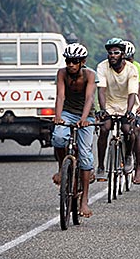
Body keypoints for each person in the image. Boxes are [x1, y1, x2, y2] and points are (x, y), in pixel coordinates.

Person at [51, 43, 97, 218]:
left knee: (85, 156)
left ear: (82, 62)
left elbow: (89, 98)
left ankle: (84, 200)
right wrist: (58, 117)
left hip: (86, 115)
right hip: (68, 113)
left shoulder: (90, 75)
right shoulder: (62, 73)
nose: (71, 64)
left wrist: (84, 119)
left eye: (75, 61)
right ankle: (62, 169)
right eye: (68, 61)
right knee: (58, 138)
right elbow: (60, 96)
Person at [95, 38, 140, 183]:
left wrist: (130, 111)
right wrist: (103, 110)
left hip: (127, 102)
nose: (112, 55)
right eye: (110, 53)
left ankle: (128, 156)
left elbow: (133, 92)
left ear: (123, 54)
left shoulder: (131, 69)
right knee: (104, 129)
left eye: (116, 52)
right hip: (108, 103)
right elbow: (101, 91)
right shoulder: (102, 67)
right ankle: (101, 166)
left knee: (128, 130)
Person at [120, 40, 140, 184]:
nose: (128, 62)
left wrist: (138, 107)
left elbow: (139, 91)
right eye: (125, 59)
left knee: (136, 132)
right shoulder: (115, 68)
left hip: (135, 103)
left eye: (130, 59)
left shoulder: (138, 69)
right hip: (118, 104)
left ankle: (137, 167)